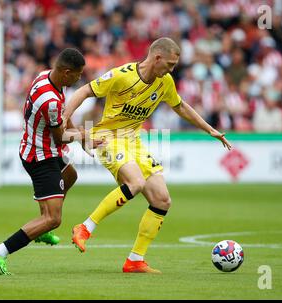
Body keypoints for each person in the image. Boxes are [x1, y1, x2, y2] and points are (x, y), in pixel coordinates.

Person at [63, 37, 232, 274]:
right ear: (157, 58)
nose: (172, 69)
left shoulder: (165, 82)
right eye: (170, 64)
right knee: (136, 182)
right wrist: (64, 117)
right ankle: (84, 228)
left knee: (162, 199)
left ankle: (135, 260)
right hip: (107, 137)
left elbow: (181, 106)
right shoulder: (123, 75)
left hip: (134, 141)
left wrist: (209, 129)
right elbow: (84, 90)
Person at [0, 48, 94, 275]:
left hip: (41, 149)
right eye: (77, 74)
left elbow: (63, 115)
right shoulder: (50, 100)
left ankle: (41, 228)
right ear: (66, 72)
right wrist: (83, 135)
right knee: (54, 219)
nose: (79, 78)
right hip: (40, 157)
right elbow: (59, 136)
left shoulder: (46, 77)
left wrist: (80, 136)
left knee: (71, 175)